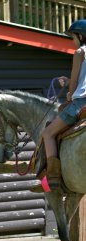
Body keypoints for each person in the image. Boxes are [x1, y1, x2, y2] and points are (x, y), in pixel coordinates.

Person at [33, 19, 86, 192]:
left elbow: (75, 85)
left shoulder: (80, 52)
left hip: (80, 104)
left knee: (48, 133)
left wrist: (69, 93)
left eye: (73, 37)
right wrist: (72, 82)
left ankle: (53, 179)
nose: (72, 41)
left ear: (80, 36)